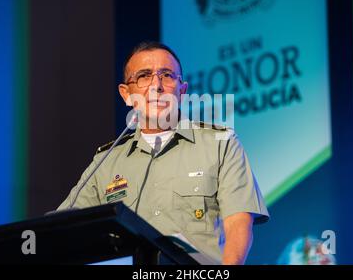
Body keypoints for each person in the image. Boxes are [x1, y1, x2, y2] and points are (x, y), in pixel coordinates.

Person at [57, 41, 269, 264]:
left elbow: (238, 223)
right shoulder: (107, 160)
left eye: (166, 75)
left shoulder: (220, 144)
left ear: (182, 90)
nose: (156, 86)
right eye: (144, 76)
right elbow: (64, 226)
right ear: (126, 94)